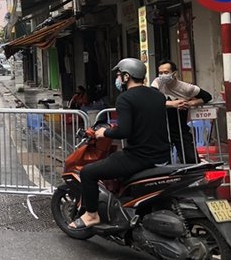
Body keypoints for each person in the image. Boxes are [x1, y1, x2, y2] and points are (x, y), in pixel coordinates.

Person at [70, 58, 171, 229]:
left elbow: (124, 131)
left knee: (88, 173)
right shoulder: (158, 96)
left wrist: (104, 132)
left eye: (119, 75)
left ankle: (91, 215)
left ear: (126, 76)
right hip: (163, 156)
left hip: (139, 157)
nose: (118, 78)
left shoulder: (125, 98)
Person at [151, 59, 212, 164]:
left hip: (180, 130)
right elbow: (152, 99)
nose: (162, 75)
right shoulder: (157, 82)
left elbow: (207, 97)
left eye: (166, 72)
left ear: (174, 73)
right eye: (160, 73)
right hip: (161, 130)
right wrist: (172, 104)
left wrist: (191, 103)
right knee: (162, 163)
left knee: (191, 160)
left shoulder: (186, 88)